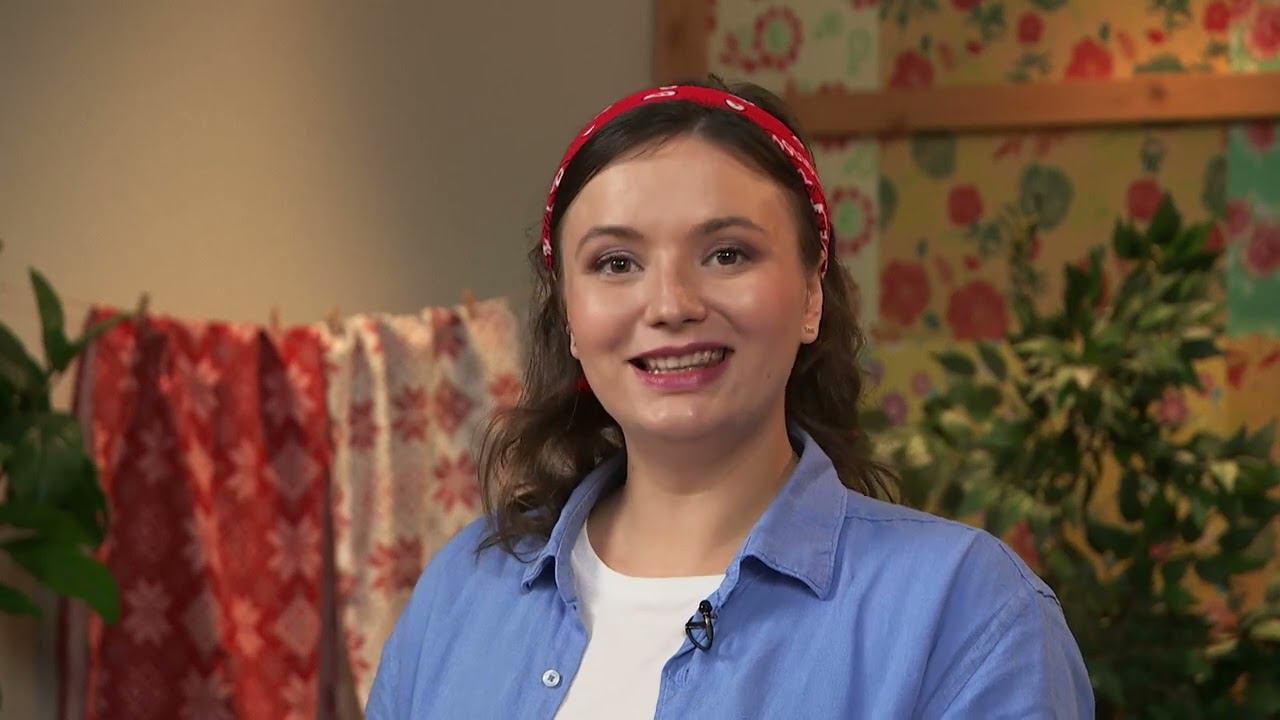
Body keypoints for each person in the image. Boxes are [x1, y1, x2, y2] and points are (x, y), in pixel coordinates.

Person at [366, 78, 1094, 718]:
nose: (671, 305)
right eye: (616, 263)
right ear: (570, 321)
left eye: (727, 254)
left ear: (811, 296)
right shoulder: (466, 588)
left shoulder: (966, 610)